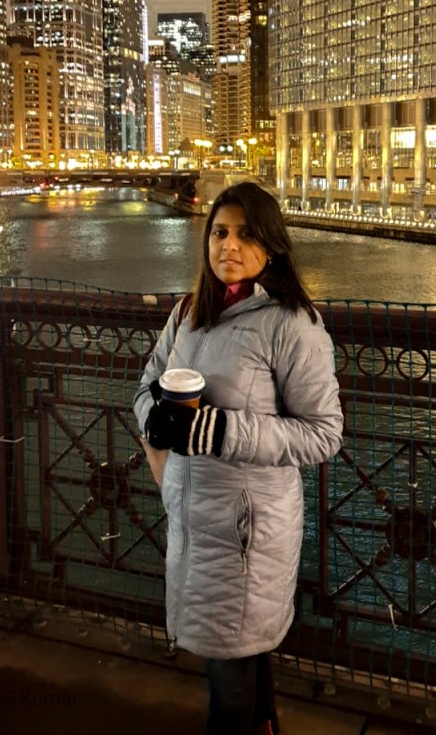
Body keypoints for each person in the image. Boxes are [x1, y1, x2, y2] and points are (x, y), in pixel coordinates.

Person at [133, 181, 344, 735]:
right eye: (220, 232)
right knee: (240, 651)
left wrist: (222, 430)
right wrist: (153, 419)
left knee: (229, 669)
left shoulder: (292, 324)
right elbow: (147, 382)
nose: (229, 245)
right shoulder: (188, 311)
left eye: (246, 234)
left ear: (271, 245)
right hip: (192, 511)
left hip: (248, 528)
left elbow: (323, 434)